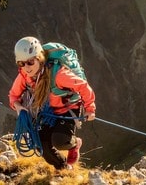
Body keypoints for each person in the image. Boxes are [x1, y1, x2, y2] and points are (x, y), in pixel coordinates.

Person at [8, 36, 96, 170]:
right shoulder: (24, 76)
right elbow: (13, 96)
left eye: (30, 62)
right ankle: (63, 168)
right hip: (47, 112)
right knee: (42, 145)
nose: (26, 67)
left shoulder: (59, 75)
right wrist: (19, 108)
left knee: (60, 140)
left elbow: (83, 87)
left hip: (67, 109)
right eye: (21, 63)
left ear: (39, 58)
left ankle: (74, 144)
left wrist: (90, 109)